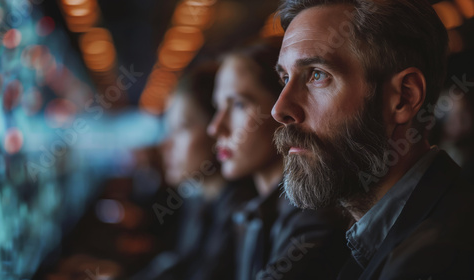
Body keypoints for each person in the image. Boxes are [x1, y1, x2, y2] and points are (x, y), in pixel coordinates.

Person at [272, 0, 474, 278]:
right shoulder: (364, 241)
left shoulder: (443, 256)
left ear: (403, 98)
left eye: (317, 75)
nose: (279, 109)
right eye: (285, 79)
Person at [207, 37, 351, 280]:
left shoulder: (315, 220)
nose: (215, 127)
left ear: (282, 109)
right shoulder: (253, 211)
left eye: (239, 105)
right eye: (218, 107)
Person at [131, 63, 256, 280]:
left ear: (217, 127)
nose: (166, 145)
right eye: (167, 131)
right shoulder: (201, 200)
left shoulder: (240, 211)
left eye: (181, 127)